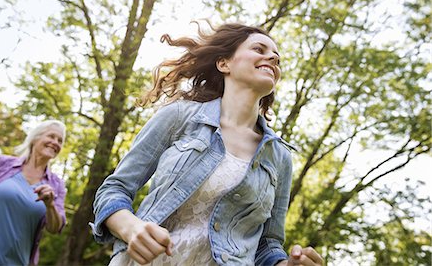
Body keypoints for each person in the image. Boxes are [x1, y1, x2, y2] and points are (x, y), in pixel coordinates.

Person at [92, 23, 323, 266]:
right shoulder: (179, 117)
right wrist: (131, 229)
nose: (273, 57)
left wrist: (287, 264)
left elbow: (267, 244)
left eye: (276, 56)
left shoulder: (279, 157)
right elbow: (114, 189)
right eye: (259, 48)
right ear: (224, 63)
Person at [0, 120, 67, 266]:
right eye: (51, 136)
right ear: (35, 138)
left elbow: (55, 228)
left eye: (60, 140)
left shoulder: (56, 185)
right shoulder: (4, 164)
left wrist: (50, 205)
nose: (55, 142)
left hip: (18, 261)